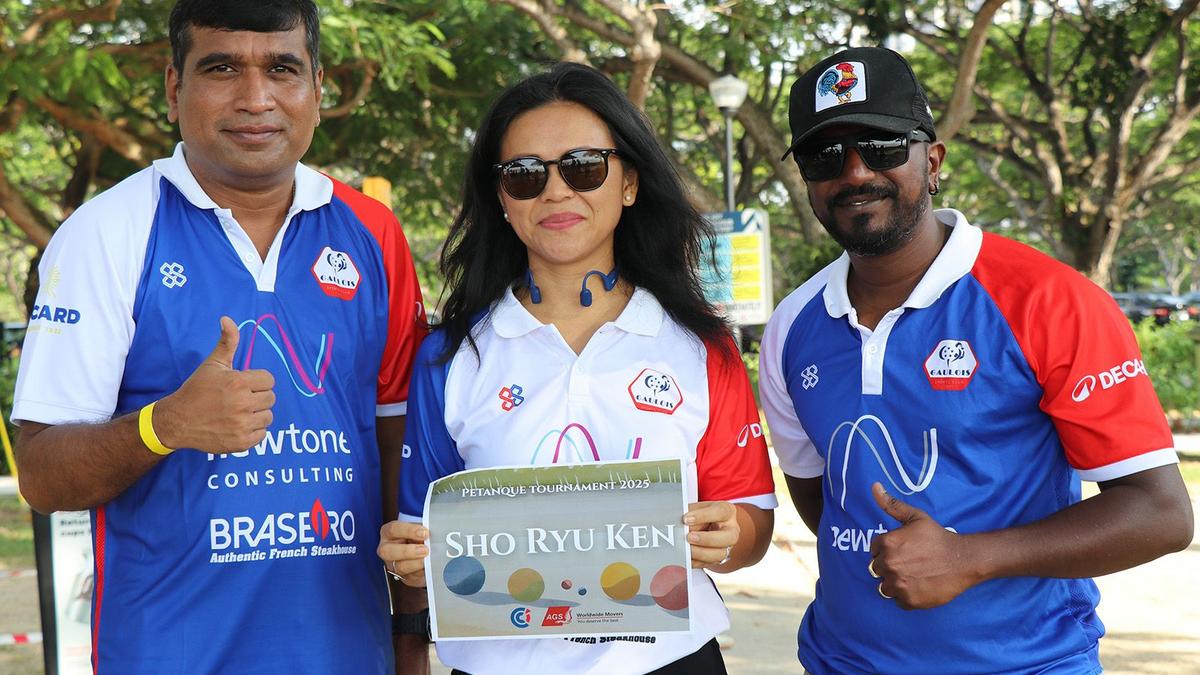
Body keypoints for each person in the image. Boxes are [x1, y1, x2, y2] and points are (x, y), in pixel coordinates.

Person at [11, 1, 430, 671]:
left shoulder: (373, 232)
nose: (256, 98)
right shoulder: (109, 232)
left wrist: (409, 638)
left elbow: (399, 453)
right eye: (222, 68)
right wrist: (165, 425)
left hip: (349, 655)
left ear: (318, 89)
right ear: (174, 88)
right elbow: (41, 475)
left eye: (282, 69)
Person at [759, 46, 1195, 673]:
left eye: (882, 147)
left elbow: (1160, 513)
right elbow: (825, 498)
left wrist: (971, 558)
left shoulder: (1050, 301)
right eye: (824, 155)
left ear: (933, 161)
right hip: (840, 661)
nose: (854, 172)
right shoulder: (792, 325)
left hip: (1030, 663)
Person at [376, 62, 776, 674]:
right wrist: (408, 557)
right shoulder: (449, 357)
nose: (556, 192)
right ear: (501, 198)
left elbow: (752, 529)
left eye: (583, 167)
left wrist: (728, 535)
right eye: (525, 175)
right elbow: (420, 539)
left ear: (629, 183)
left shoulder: (702, 347)